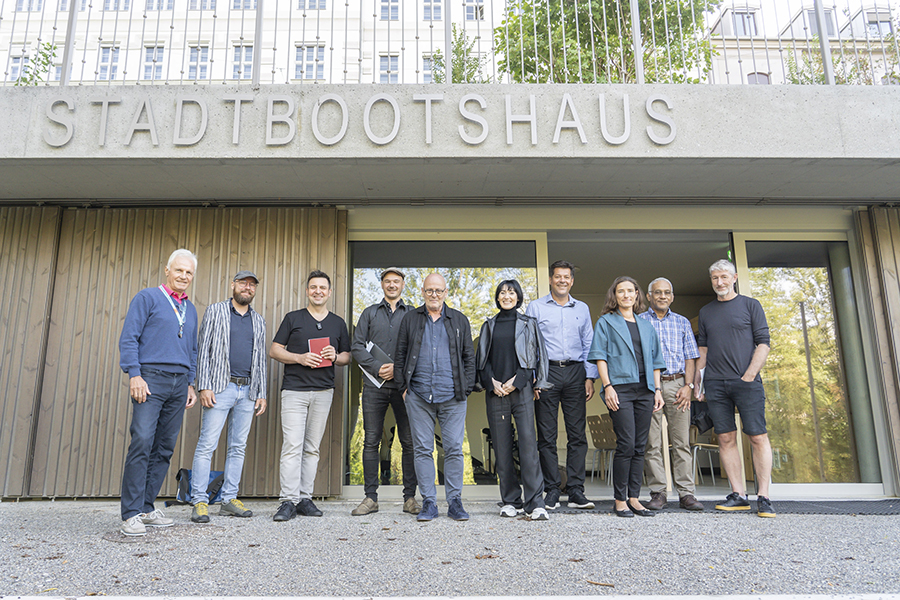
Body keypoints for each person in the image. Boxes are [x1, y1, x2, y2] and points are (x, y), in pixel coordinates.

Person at [118, 248, 199, 536]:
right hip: (150, 379)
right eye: (179, 270)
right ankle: (130, 514)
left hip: (179, 384)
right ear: (167, 270)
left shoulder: (190, 309)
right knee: (142, 441)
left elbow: (192, 349)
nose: (184, 276)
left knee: (164, 447)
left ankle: (145, 507)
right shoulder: (148, 298)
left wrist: (191, 383)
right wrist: (135, 374)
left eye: (189, 272)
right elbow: (129, 338)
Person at [694, 260, 774, 518]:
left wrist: (749, 375)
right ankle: (738, 494)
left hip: (747, 382)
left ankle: (764, 496)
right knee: (725, 438)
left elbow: (763, 343)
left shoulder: (751, 306)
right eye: (715, 278)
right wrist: (699, 382)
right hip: (716, 384)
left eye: (724, 277)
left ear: (734, 277)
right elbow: (703, 350)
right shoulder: (706, 312)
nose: (720, 282)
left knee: (757, 436)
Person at [269, 270, 351, 522]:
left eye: (322, 288)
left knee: (311, 448)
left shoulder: (338, 323)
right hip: (294, 390)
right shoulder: (293, 318)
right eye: (313, 287)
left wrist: (334, 356)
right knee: (292, 446)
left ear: (328, 292)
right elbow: (274, 350)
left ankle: (305, 498)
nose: (318, 291)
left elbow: (347, 356)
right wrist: (300, 358)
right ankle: (287, 501)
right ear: (307, 291)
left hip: (324, 392)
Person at [394, 273, 476, 522]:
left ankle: (454, 502)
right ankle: (429, 502)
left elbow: (469, 359)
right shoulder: (410, 319)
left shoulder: (459, 320)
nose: (434, 295)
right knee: (422, 450)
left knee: (452, 449)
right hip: (418, 396)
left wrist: (466, 388)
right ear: (422, 291)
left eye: (438, 291)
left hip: (452, 397)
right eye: (429, 290)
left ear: (446, 293)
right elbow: (400, 355)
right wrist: (404, 389)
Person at [189, 270, 268, 523]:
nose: (248, 288)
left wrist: (261, 393)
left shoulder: (259, 320)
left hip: (247, 391)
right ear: (233, 285)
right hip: (220, 389)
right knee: (206, 446)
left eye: (252, 285)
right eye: (243, 283)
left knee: (238, 447)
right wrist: (204, 385)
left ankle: (228, 499)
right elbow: (203, 350)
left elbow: (260, 360)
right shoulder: (215, 311)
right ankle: (199, 501)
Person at [588, 276, 665, 518]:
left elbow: (656, 361)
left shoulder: (646, 325)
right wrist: (607, 386)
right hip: (620, 388)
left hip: (645, 389)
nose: (626, 295)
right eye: (621, 291)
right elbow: (600, 356)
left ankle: (634, 498)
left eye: (630, 291)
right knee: (626, 444)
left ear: (637, 295)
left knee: (640, 446)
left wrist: (658, 390)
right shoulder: (605, 322)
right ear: (615, 295)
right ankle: (619, 500)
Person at [525, 260, 599, 510]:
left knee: (577, 435)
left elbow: (589, 342)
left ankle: (577, 490)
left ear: (572, 281)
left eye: (567, 277)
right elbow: (529, 345)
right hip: (547, 373)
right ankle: (553, 490)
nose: (562, 281)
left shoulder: (582, 308)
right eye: (558, 276)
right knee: (546, 436)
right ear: (551, 279)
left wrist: (590, 377)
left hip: (576, 372)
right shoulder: (536, 307)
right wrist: (534, 377)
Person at [475, 280, 552, 521]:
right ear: (497, 298)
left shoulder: (529, 324)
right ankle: (510, 500)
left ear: (518, 297)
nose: (506, 296)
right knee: (502, 447)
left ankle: (535, 502)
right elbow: (482, 361)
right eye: (502, 292)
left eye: (511, 292)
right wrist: (492, 382)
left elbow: (537, 356)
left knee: (529, 446)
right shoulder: (489, 325)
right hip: (496, 392)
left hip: (522, 391)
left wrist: (518, 381)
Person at [350, 267, 419, 516]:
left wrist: (397, 370)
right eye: (388, 281)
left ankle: (410, 498)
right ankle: (371, 498)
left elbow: (418, 348)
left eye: (396, 281)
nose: (392, 285)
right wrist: (379, 368)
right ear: (382, 285)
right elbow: (356, 347)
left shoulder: (412, 314)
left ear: (402, 285)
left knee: (409, 442)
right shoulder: (369, 313)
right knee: (371, 441)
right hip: (373, 387)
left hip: (404, 388)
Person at [638, 277, 704, 512]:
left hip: (677, 385)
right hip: (649, 387)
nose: (662, 296)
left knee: (681, 442)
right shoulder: (639, 322)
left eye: (667, 292)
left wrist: (688, 386)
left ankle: (686, 493)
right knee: (652, 443)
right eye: (657, 293)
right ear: (649, 296)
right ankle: (658, 493)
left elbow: (690, 357)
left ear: (672, 297)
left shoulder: (682, 322)